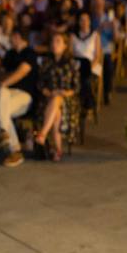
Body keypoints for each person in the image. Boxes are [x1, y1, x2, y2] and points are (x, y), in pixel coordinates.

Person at [33, 31, 79, 162]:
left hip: (68, 100)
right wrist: (48, 92)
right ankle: (57, 149)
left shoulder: (70, 63)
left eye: (58, 41)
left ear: (65, 45)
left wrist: (65, 93)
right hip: (48, 99)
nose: (55, 44)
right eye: (53, 41)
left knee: (58, 102)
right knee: (56, 106)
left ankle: (42, 136)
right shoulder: (47, 62)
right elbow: (40, 84)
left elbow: (76, 87)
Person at [0, 26, 37, 167]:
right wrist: (2, 84)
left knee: (0, 107)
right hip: (7, 95)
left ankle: (5, 135)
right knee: (2, 98)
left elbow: (22, 72)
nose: (10, 39)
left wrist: (2, 83)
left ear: (18, 36)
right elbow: (0, 73)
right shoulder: (10, 54)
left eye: (12, 36)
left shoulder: (30, 53)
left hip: (25, 95)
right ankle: (14, 149)